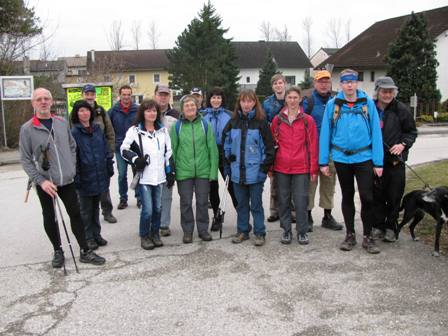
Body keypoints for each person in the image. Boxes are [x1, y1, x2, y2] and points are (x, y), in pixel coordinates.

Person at [19, 88, 105, 268]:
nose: (43, 102)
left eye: (46, 99)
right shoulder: (27, 129)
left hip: (67, 180)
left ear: (51, 102)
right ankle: (58, 250)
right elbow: (26, 160)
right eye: (39, 99)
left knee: (76, 214)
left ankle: (85, 250)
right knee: (50, 217)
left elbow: (73, 147)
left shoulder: (61, 122)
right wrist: (41, 181)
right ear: (33, 103)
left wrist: (71, 168)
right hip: (46, 183)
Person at [319, 69, 384, 254]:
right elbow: (325, 134)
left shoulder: (367, 103)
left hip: (364, 158)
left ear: (357, 84)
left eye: (353, 82)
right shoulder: (333, 105)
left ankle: (368, 236)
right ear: (341, 84)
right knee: (347, 196)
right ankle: (350, 234)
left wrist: (378, 163)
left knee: (367, 197)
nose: (349, 85)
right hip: (341, 158)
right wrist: (323, 161)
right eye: (346, 82)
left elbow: (376, 134)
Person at [223, 89, 275, 246]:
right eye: (243, 101)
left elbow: (269, 149)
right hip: (237, 172)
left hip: (255, 173)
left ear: (254, 103)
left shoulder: (262, 123)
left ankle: (260, 232)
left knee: (256, 205)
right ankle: (243, 231)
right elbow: (226, 144)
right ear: (239, 103)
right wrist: (228, 162)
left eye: (249, 101)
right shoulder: (232, 123)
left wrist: (263, 170)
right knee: (241, 204)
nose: (246, 104)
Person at [121, 100, 175, 250]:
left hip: (160, 177)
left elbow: (168, 153)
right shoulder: (134, 130)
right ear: (143, 113)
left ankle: (155, 233)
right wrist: (135, 159)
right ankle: (144, 235)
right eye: (148, 110)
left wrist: (171, 172)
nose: (152, 113)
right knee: (148, 210)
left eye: (154, 111)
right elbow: (123, 149)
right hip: (144, 177)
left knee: (158, 208)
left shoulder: (163, 131)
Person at [372, 76, 417, 242]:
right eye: (384, 91)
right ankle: (377, 226)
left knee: (394, 196)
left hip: (395, 162)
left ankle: (391, 227)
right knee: (376, 195)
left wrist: (403, 144)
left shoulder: (401, 109)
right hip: (375, 161)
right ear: (378, 92)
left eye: (390, 91)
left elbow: (411, 132)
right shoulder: (370, 108)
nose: (387, 94)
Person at [272, 87, 319, 245]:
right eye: (289, 97)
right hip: (282, 167)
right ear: (285, 99)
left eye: (295, 97)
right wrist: (271, 168)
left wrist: (313, 169)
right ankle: (286, 230)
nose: (292, 100)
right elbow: (272, 145)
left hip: (301, 167)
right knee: (283, 201)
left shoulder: (308, 120)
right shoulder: (277, 120)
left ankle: (302, 231)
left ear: (300, 99)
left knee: (301, 201)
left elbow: (313, 146)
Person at [170, 95, 218, 243]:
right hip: (183, 172)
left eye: (192, 105)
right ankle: (188, 231)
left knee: (203, 202)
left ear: (197, 107)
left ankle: (203, 230)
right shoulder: (177, 127)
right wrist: (173, 171)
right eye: (187, 106)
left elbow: (212, 149)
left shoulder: (205, 125)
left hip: (203, 171)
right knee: (185, 203)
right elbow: (172, 150)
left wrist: (213, 172)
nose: (190, 108)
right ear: (182, 109)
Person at [302, 70, 343, 231]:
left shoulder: (337, 102)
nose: (324, 84)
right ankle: (307, 216)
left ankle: (327, 216)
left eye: (327, 81)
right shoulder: (308, 102)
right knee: (310, 185)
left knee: (329, 184)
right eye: (321, 81)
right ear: (315, 83)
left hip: (332, 151)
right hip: (312, 150)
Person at [71, 100, 113, 251]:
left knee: (96, 207)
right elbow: (73, 156)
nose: (85, 113)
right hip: (84, 176)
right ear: (76, 114)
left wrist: (109, 165)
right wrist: (76, 176)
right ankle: (88, 237)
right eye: (81, 111)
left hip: (99, 174)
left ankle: (97, 234)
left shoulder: (97, 129)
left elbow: (105, 148)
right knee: (85, 210)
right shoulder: (74, 132)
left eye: (87, 110)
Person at [202, 87, 237, 231]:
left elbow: (235, 134)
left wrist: (232, 152)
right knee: (212, 187)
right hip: (209, 154)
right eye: (213, 97)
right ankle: (217, 216)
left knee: (232, 186)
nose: (216, 100)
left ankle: (242, 215)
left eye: (219, 98)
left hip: (225, 153)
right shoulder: (202, 116)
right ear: (209, 100)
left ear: (222, 100)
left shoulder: (229, 115)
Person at [81, 84, 117, 224]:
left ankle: (107, 212)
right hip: (85, 156)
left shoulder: (101, 111)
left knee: (104, 186)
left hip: (101, 154)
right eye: (87, 93)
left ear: (95, 95)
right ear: (82, 95)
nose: (89, 96)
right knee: (85, 186)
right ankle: (88, 215)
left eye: (92, 94)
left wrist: (110, 151)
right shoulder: (77, 112)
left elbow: (109, 132)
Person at [154, 84, 180, 237]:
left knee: (166, 194)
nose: (163, 97)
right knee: (150, 195)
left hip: (169, 160)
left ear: (169, 96)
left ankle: (164, 225)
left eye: (166, 94)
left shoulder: (176, 115)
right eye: (160, 94)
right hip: (151, 161)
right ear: (155, 95)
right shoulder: (148, 111)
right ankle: (152, 223)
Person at [108, 85, 140, 210]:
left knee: (137, 173)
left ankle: (139, 198)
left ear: (131, 96)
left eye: (128, 95)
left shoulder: (137, 110)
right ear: (120, 95)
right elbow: (108, 128)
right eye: (124, 94)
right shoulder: (113, 111)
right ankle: (123, 199)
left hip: (134, 148)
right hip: (119, 148)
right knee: (122, 175)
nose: (126, 97)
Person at [262, 74, 287, 223]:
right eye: (275, 84)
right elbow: (265, 124)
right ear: (272, 86)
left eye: (280, 83)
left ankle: (291, 211)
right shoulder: (267, 103)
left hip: (290, 142)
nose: (278, 86)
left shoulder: (292, 99)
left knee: (290, 180)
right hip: (274, 143)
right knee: (274, 179)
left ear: (284, 84)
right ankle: (274, 210)